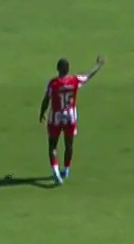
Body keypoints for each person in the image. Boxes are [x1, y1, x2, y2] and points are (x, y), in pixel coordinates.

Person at [38, 55, 105, 185]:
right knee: (69, 144)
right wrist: (98, 65)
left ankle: (56, 171)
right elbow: (88, 76)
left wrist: (42, 113)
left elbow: (47, 99)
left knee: (53, 146)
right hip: (70, 117)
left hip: (55, 117)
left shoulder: (53, 83)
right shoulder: (74, 80)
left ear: (58, 69)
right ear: (68, 69)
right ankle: (66, 169)